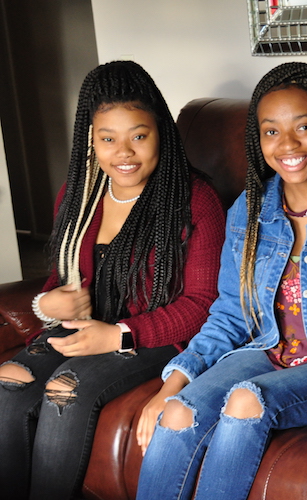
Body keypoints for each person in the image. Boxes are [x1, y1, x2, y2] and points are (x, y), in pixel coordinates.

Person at [135, 62, 307, 500]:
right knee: (177, 414)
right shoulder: (249, 210)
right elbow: (230, 313)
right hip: (268, 352)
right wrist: (171, 386)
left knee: (246, 401)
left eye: (303, 126)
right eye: (271, 131)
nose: (287, 144)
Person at [0, 60, 225, 500]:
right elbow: (58, 281)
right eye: (108, 139)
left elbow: (203, 305)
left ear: (160, 132)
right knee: (9, 379)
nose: (124, 152)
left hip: (153, 337)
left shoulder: (195, 199)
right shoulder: (78, 196)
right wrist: (47, 306)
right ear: (91, 140)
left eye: (138, 136)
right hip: (83, 332)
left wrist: (119, 335)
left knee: (66, 389)